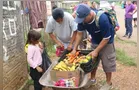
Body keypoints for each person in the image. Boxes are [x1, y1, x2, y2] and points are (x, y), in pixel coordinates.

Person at [71, 4, 116, 90]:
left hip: (107, 43)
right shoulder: (82, 20)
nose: (82, 21)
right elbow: (79, 34)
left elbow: (106, 38)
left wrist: (96, 51)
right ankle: (92, 79)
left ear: (90, 14)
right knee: (92, 62)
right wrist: (74, 48)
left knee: (107, 63)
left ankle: (108, 83)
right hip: (95, 41)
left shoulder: (102, 19)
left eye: (84, 19)